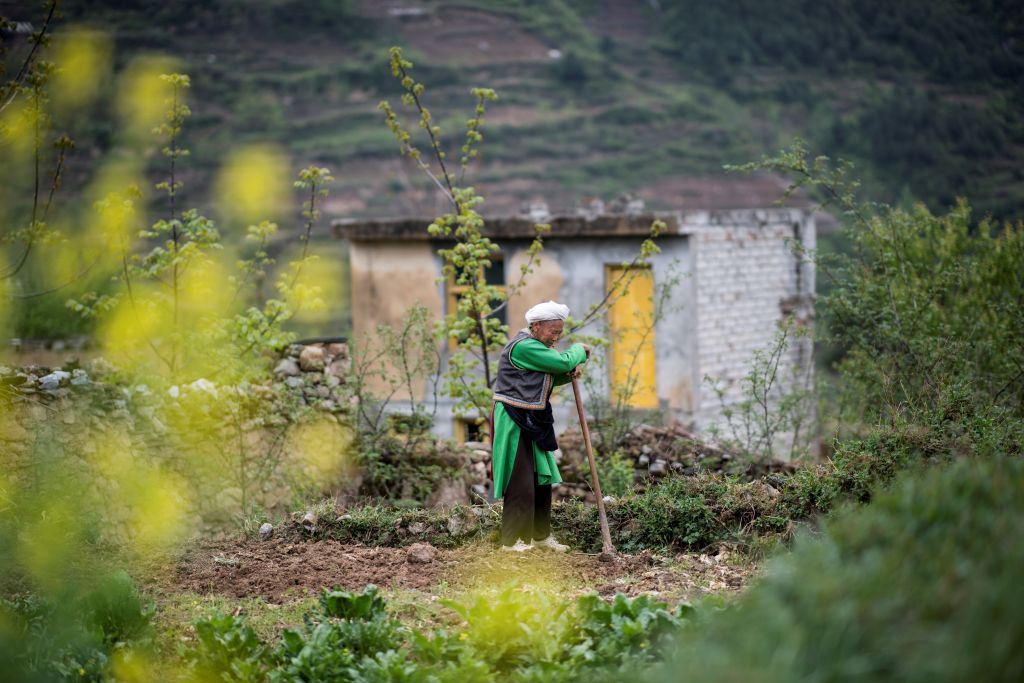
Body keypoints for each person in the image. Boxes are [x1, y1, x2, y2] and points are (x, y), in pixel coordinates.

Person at [490, 300, 590, 552]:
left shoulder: (535, 347)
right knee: (520, 479)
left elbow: (547, 375)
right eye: (553, 331)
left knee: (540, 479)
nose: (557, 337)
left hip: (533, 416)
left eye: (560, 332)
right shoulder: (523, 346)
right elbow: (563, 361)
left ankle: (540, 536)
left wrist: (568, 373)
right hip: (513, 416)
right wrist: (579, 351)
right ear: (536, 326)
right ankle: (512, 542)